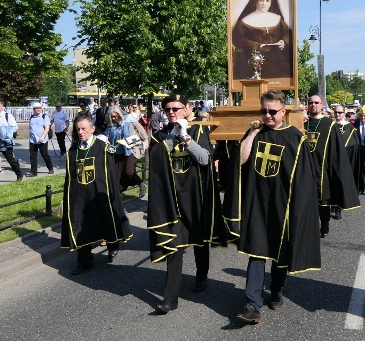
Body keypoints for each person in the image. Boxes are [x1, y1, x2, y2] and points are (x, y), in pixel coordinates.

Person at [223, 90, 320, 324]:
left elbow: (305, 178)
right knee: (256, 253)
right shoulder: (257, 132)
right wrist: (253, 132)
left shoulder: (295, 137)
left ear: (283, 112)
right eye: (264, 110)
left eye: (272, 111)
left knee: (279, 254)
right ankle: (252, 304)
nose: (267, 115)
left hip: (283, 205)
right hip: (258, 202)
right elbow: (242, 160)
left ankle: (276, 290)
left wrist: (300, 210)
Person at [147, 94, 226, 315]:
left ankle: (202, 274)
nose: (172, 112)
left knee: (200, 241)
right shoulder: (160, 136)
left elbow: (205, 159)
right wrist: (172, 137)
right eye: (168, 109)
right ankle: (170, 298)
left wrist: (186, 138)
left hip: (196, 197)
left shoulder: (200, 130)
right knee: (174, 246)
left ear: (187, 108)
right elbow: (155, 160)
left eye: (176, 108)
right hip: (173, 199)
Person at [60, 115, 132, 275]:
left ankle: (113, 245)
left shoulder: (102, 147)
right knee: (79, 224)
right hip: (80, 197)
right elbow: (70, 178)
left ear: (92, 129)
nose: (80, 132)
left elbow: (110, 175)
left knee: (106, 219)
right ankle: (84, 261)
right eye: (78, 129)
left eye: (84, 128)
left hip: (98, 194)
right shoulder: (73, 150)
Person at [305, 96, 359, 238]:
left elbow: (336, 150)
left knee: (323, 200)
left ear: (321, 105)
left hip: (322, 168)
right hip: (305, 168)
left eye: (316, 103)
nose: (313, 105)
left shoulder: (329, 124)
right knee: (306, 201)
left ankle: (325, 224)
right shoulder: (302, 124)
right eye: (310, 103)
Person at [232, 0, 291, 80]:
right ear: (256, 2)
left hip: (278, 63)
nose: (264, 3)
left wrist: (283, 41)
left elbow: (287, 33)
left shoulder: (277, 19)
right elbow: (238, 39)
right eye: (261, 0)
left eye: (267, 1)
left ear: (271, 3)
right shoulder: (245, 21)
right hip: (254, 63)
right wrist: (258, 46)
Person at [104, 105, 147, 198]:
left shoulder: (129, 119)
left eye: (115, 116)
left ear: (120, 114)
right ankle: (118, 193)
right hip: (118, 150)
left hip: (132, 149)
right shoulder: (111, 124)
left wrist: (145, 141)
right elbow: (106, 135)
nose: (113, 118)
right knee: (117, 173)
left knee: (129, 171)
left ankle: (141, 184)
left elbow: (142, 131)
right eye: (111, 116)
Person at [333, 104, 362, 205]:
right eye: (335, 112)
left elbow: (355, 144)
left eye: (340, 112)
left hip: (346, 159)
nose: (337, 114)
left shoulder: (350, 127)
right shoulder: (330, 126)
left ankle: (339, 206)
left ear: (344, 114)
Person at [26, 102, 54, 177]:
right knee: (32, 156)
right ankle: (33, 172)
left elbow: (47, 128)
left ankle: (50, 168)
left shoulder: (44, 117)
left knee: (44, 155)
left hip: (42, 140)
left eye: (39, 108)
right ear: (33, 109)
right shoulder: (32, 117)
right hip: (33, 140)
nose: (38, 109)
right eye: (37, 108)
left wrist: (42, 137)